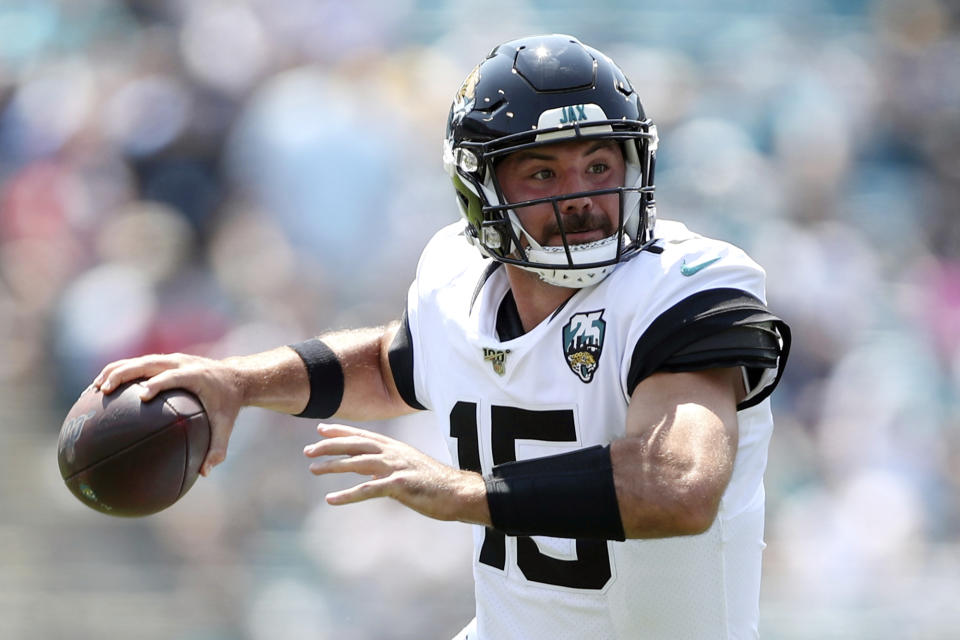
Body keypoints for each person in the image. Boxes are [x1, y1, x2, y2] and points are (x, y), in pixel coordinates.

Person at [93, 34, 790, 639]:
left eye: (600, 166)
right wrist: (239, 382)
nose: (579, 195)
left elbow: (679, 485)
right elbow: (392, 365)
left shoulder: (687, 283)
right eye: (544, 171)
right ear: (482, 190)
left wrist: (470, 492)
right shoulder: (459, 278)